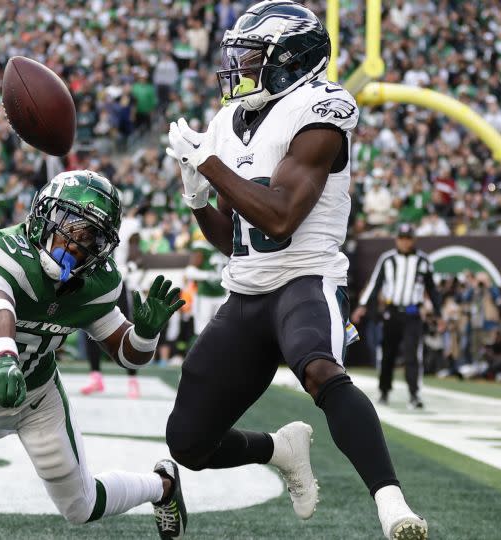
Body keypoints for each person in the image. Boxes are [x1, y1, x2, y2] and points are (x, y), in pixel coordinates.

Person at [163, 3, 427, 540]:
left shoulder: (322, 106)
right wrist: (195, 199)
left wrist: (208, 166)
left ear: (290, 59)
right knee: (187, 443)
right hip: (248, 293)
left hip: (305, 279)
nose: (238, 67)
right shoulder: (226, 122)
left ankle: (392, 503)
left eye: (251, 56)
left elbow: (281, 218)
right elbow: (234, 243)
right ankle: (281, 450)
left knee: (320, 369)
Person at [0, 171, 188, 538]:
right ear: (41, 215)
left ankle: (163, 486)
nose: (74, 240)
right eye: (68, 222)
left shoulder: (95, 283)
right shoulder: (4, 252)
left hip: (35, 398)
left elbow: (129, 357)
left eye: (89, 235)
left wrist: (145, 334)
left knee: (81, 508)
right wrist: (3, 358)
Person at [352, 223, 443, 409]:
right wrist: (361, 306)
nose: (404, 242)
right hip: (392, 312)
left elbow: (432, 289)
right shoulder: (387, 260)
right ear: (397, 239)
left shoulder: (423, 261)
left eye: (408, 238)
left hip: (413, 313)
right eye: (402, 238)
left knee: (412, 355)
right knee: (388, 354)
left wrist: (439, 314)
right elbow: (374, 284)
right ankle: (384, 390)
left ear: (413, 240)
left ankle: (414, 394)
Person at [81, 204, 143, 398]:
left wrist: (131, 266)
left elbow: (136, 254)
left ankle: (132, 379)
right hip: (93, 280)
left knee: (126, 327)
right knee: (89, 326)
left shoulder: (129, 226)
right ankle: (95, 376)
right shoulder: (91, 223)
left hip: (118, 281)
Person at [185, 228, 228, 336]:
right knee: (202, 331)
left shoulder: (225, 245)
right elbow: (189, 272)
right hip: (205, 295)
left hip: (222, 294)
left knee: (222, 330)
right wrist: (208, 275)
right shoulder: (201, 247)